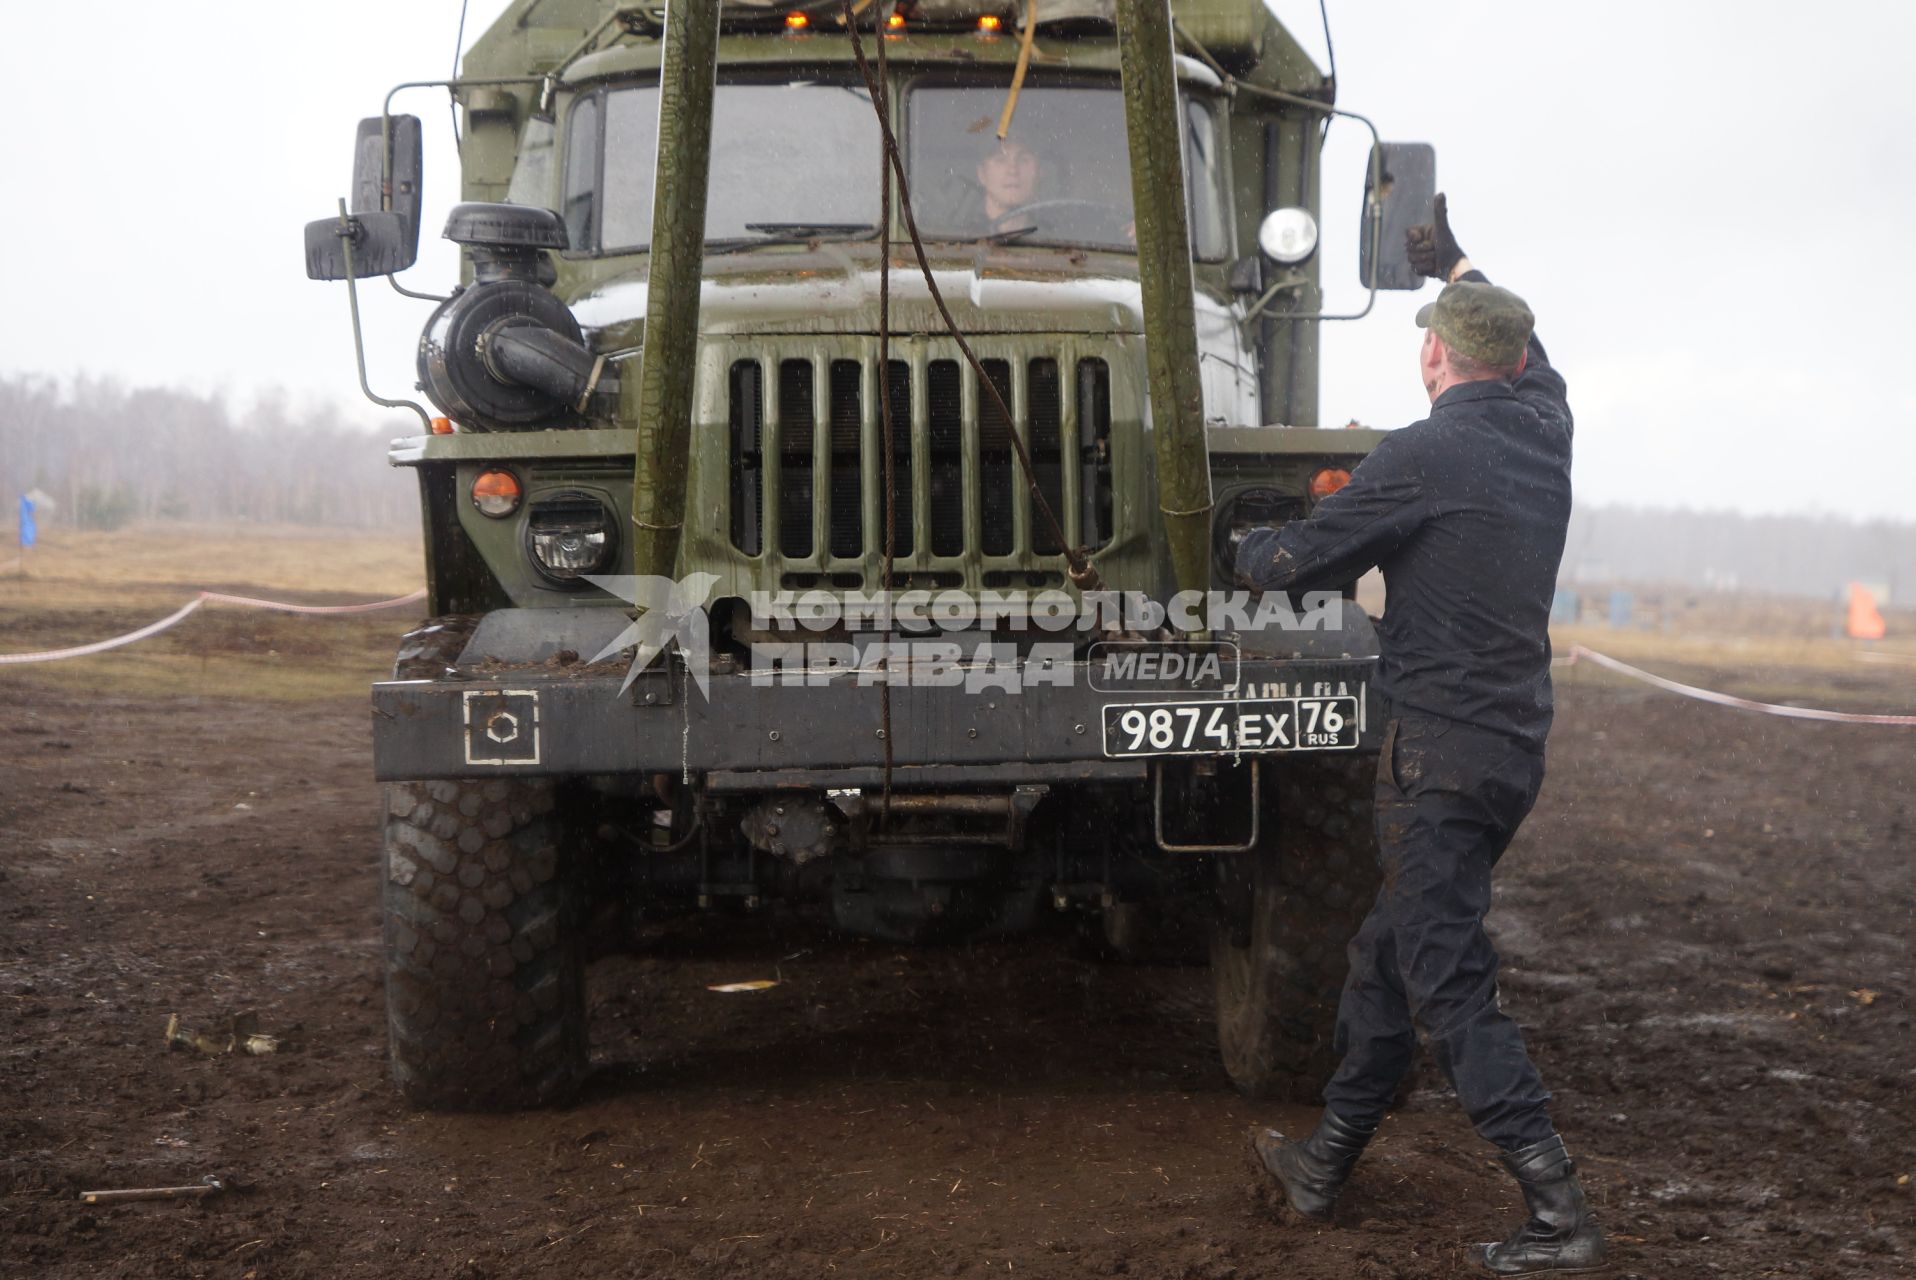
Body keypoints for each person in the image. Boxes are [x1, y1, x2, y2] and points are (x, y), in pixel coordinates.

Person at [1233, 195, 1607, 1276]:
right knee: (1383, 955)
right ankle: (1325, 1160)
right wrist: (1451, 262)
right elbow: (1529, 348)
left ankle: (1556, 1208)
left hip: (1433, 757)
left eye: (1430, 338)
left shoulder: (1421, 454)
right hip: (1504, 754)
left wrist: (1243, 541)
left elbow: (1289, 564)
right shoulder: (1545, 425)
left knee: (1444, 975)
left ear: (1434, 356)